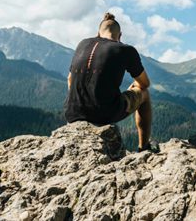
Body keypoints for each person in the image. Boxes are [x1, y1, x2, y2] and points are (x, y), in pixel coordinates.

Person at [63, 12, 154, 152]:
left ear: (98, 33)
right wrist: (133, 87)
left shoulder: (82, 44)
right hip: (104, 114)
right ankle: (144, 147)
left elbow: (70, 80)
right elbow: (145, 84)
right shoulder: (125, 50)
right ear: (120, 36)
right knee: (144, 94)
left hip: (72, 113)